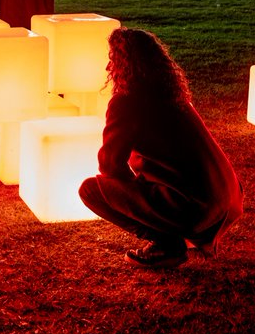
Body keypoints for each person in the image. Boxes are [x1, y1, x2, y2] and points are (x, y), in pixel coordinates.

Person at [79, 27, 243, 269]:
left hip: (196, 209)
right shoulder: (174, 96)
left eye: (112, 59)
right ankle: (182, 232)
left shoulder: (127, 101)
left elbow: (109, 165)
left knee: (90, 190)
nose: (108, 67)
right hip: (228, 202)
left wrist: (135, 191)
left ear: (122, 64)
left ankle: (166, 244)